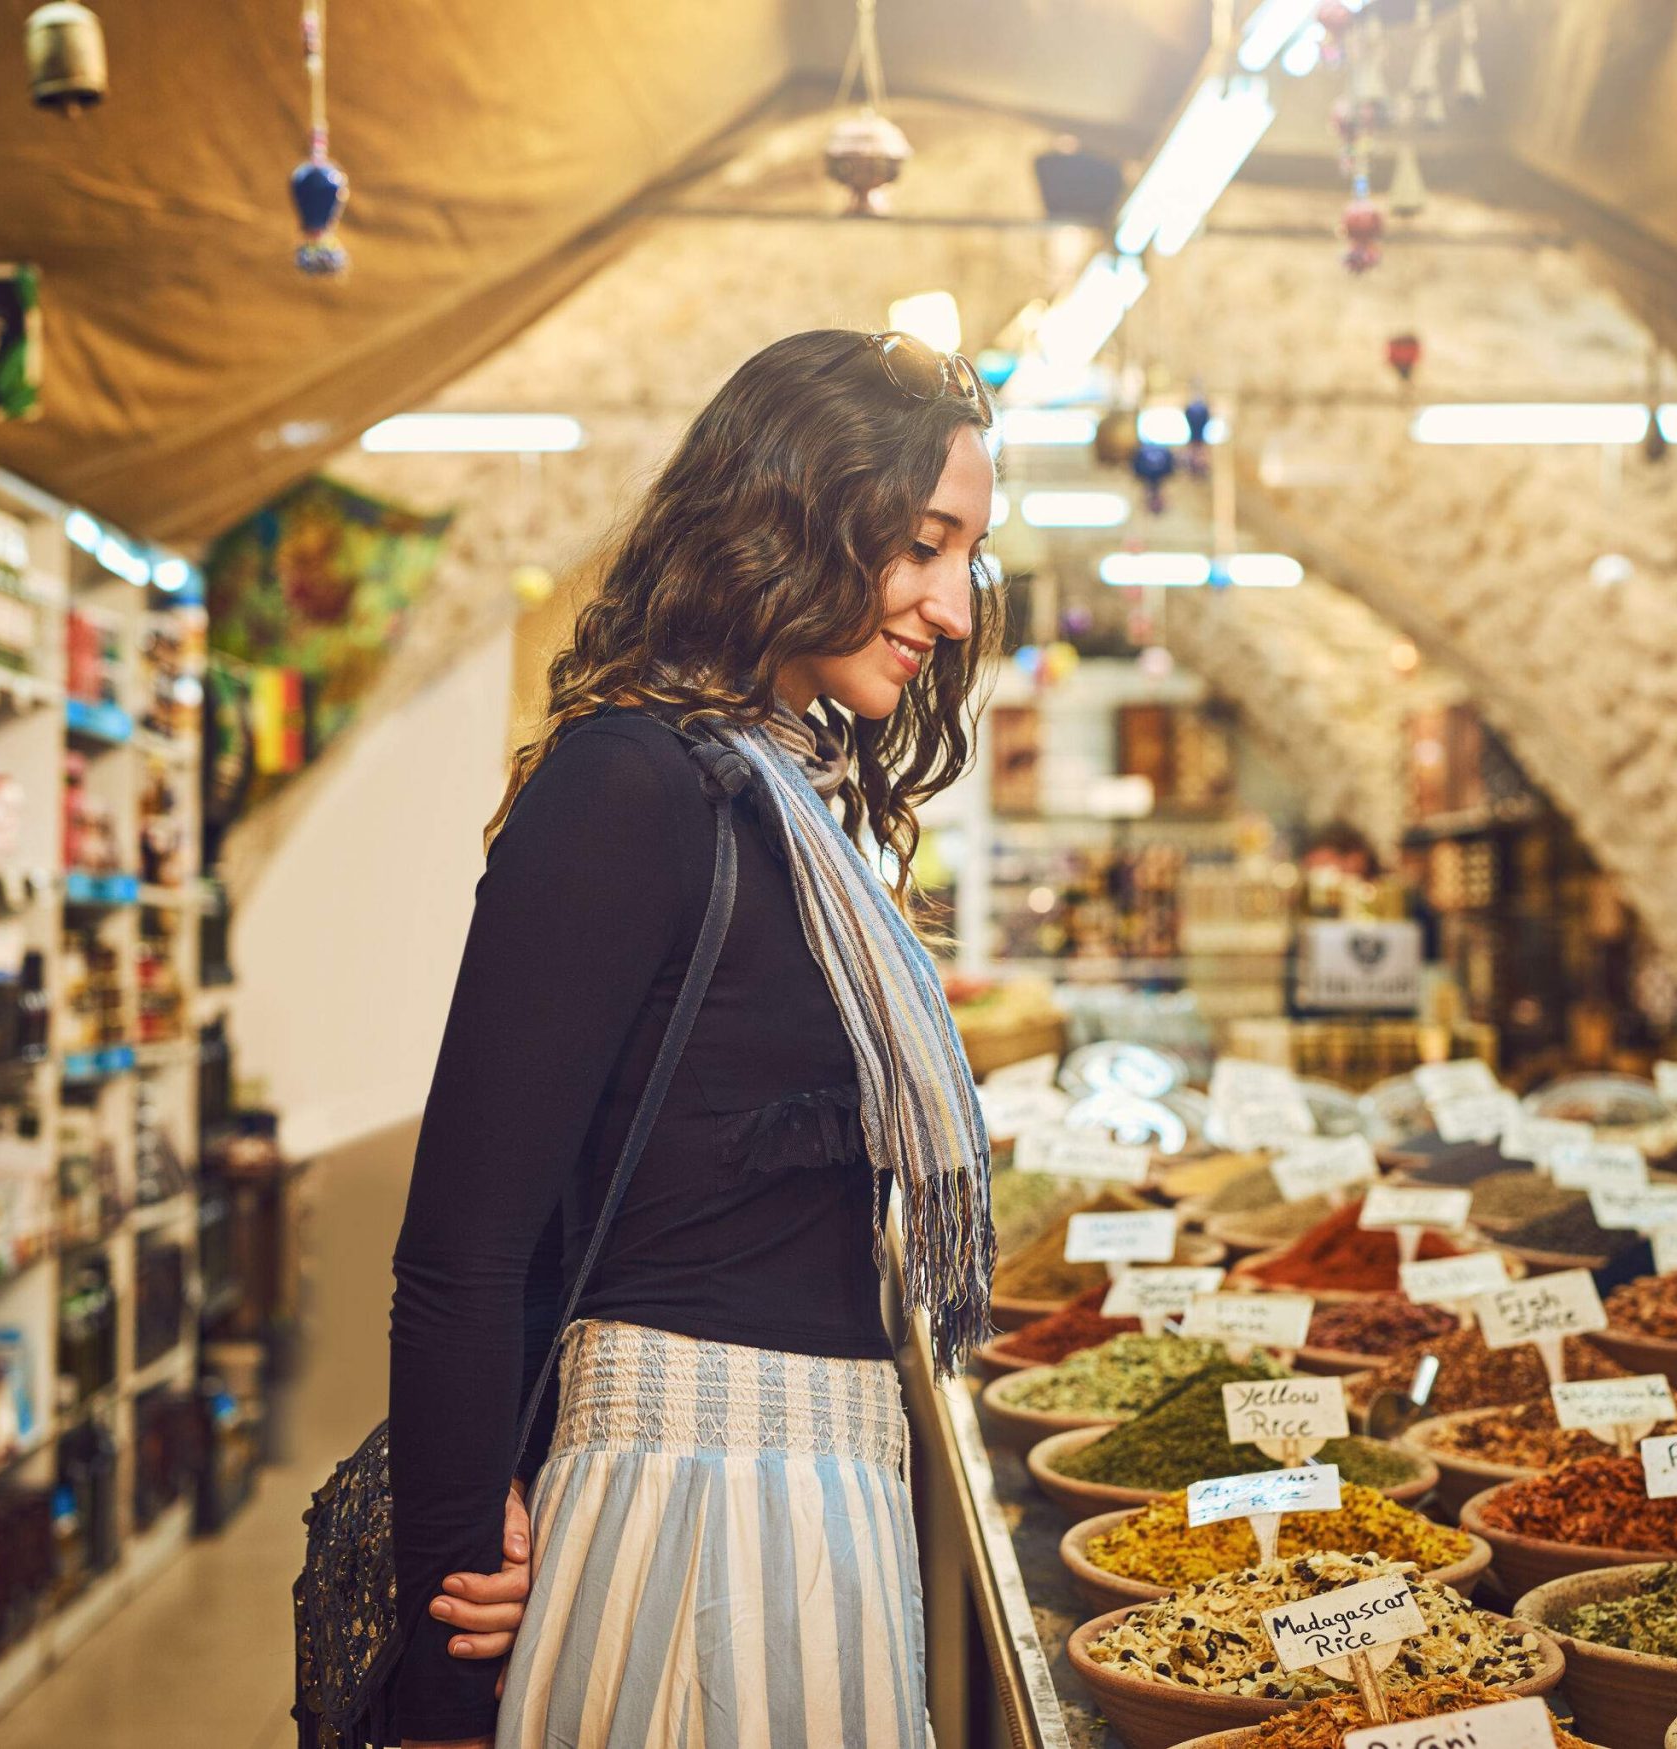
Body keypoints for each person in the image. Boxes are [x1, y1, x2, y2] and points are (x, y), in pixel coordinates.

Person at [388, 329, 1003, 1749]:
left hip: (819, 1489)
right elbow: (465, 1244)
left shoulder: (801, 800)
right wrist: (446, 1611)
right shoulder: (630, 786)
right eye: (923, 545)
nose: (954, 607)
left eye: (967, 557)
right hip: (686, 1513)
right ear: (796, 518)